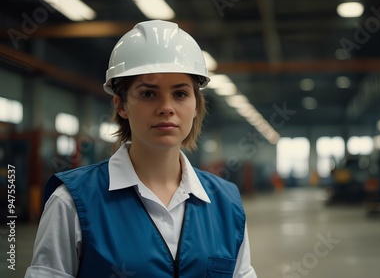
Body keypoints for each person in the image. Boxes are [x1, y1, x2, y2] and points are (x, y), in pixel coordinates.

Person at [25, 20, 257, 277]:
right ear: (121, 105)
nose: (166, 107)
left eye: (180, 94)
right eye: (148, 94)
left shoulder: (227, 204)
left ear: (195, 105)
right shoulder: (72, 203)